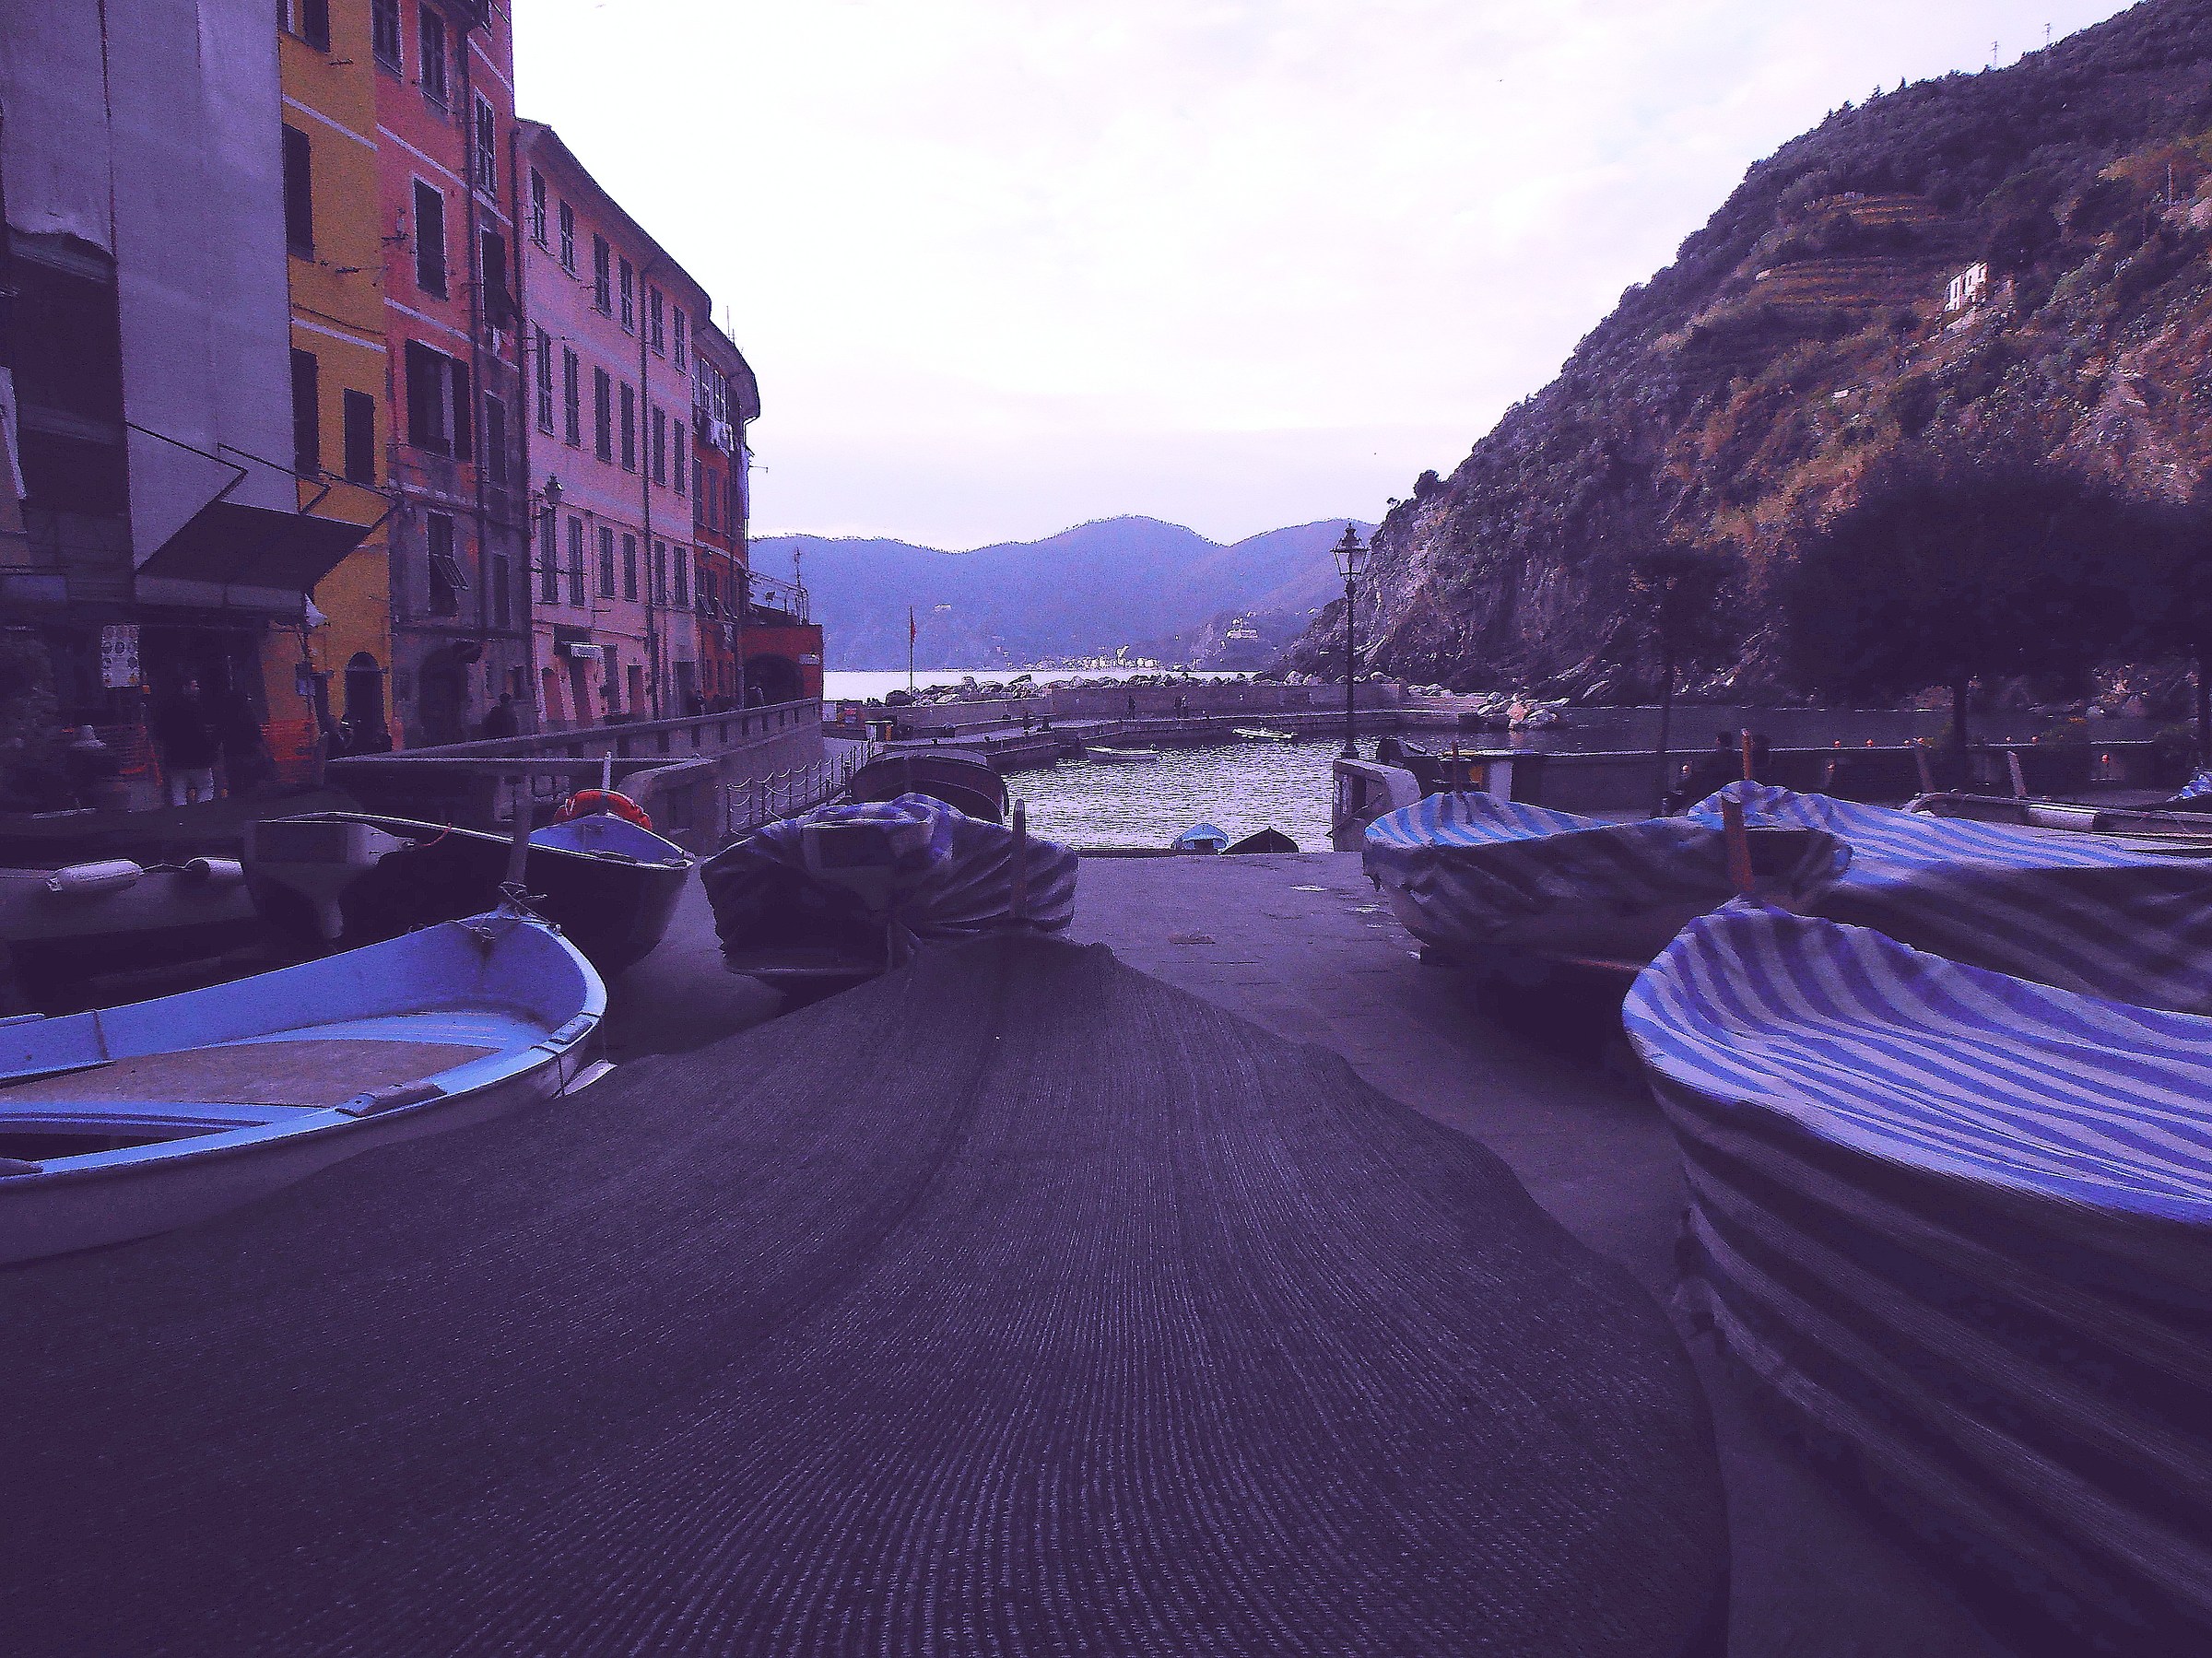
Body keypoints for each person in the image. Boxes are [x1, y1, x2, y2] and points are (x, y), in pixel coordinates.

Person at [152, 677, 220, 805]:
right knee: (206, 786)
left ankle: (181, 816)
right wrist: (211, 751)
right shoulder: (196, 707)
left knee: (178, 790)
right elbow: (201, 733)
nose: (197, 689)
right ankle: (203, 812)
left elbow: (159, 733)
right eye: (194, 686)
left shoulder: (167, 708)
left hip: (175, 756)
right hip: (198, 757)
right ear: (185, 688)